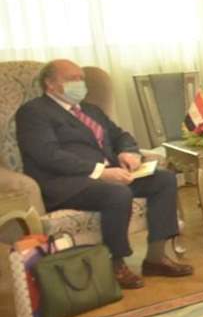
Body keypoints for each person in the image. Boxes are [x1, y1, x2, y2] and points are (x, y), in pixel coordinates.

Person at [15, 60, 192, 288]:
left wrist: (128, 152)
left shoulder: (90, 110)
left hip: (111, 175)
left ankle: (155, 258)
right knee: (117, 194)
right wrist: (100, 172)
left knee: (164, 179)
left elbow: (120, 136)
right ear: (50, 84)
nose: (80, 83)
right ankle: (117, 263)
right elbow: (48, 155)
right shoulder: (33, 112)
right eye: (72, 79)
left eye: (81, 78)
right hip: (68, 183)